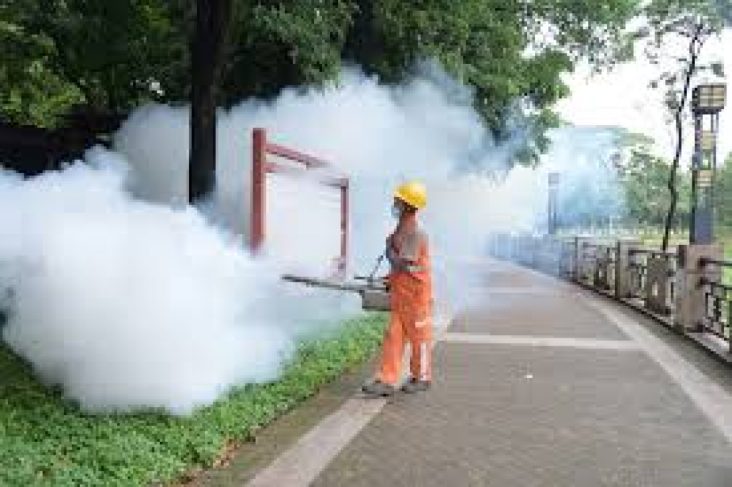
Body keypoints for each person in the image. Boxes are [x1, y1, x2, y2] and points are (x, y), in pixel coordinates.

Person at [362, 181, 433, 397]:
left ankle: (422, 378)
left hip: (416, 296)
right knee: (393, 337)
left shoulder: (416, 233)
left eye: (398, 201)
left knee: (419, 338)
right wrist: (388, 279)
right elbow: (398, 268)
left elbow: (402, 263)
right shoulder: (401, 228)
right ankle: (386, 380)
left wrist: (389, 250)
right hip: (401, 294)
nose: (394, 204)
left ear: (407, 205)